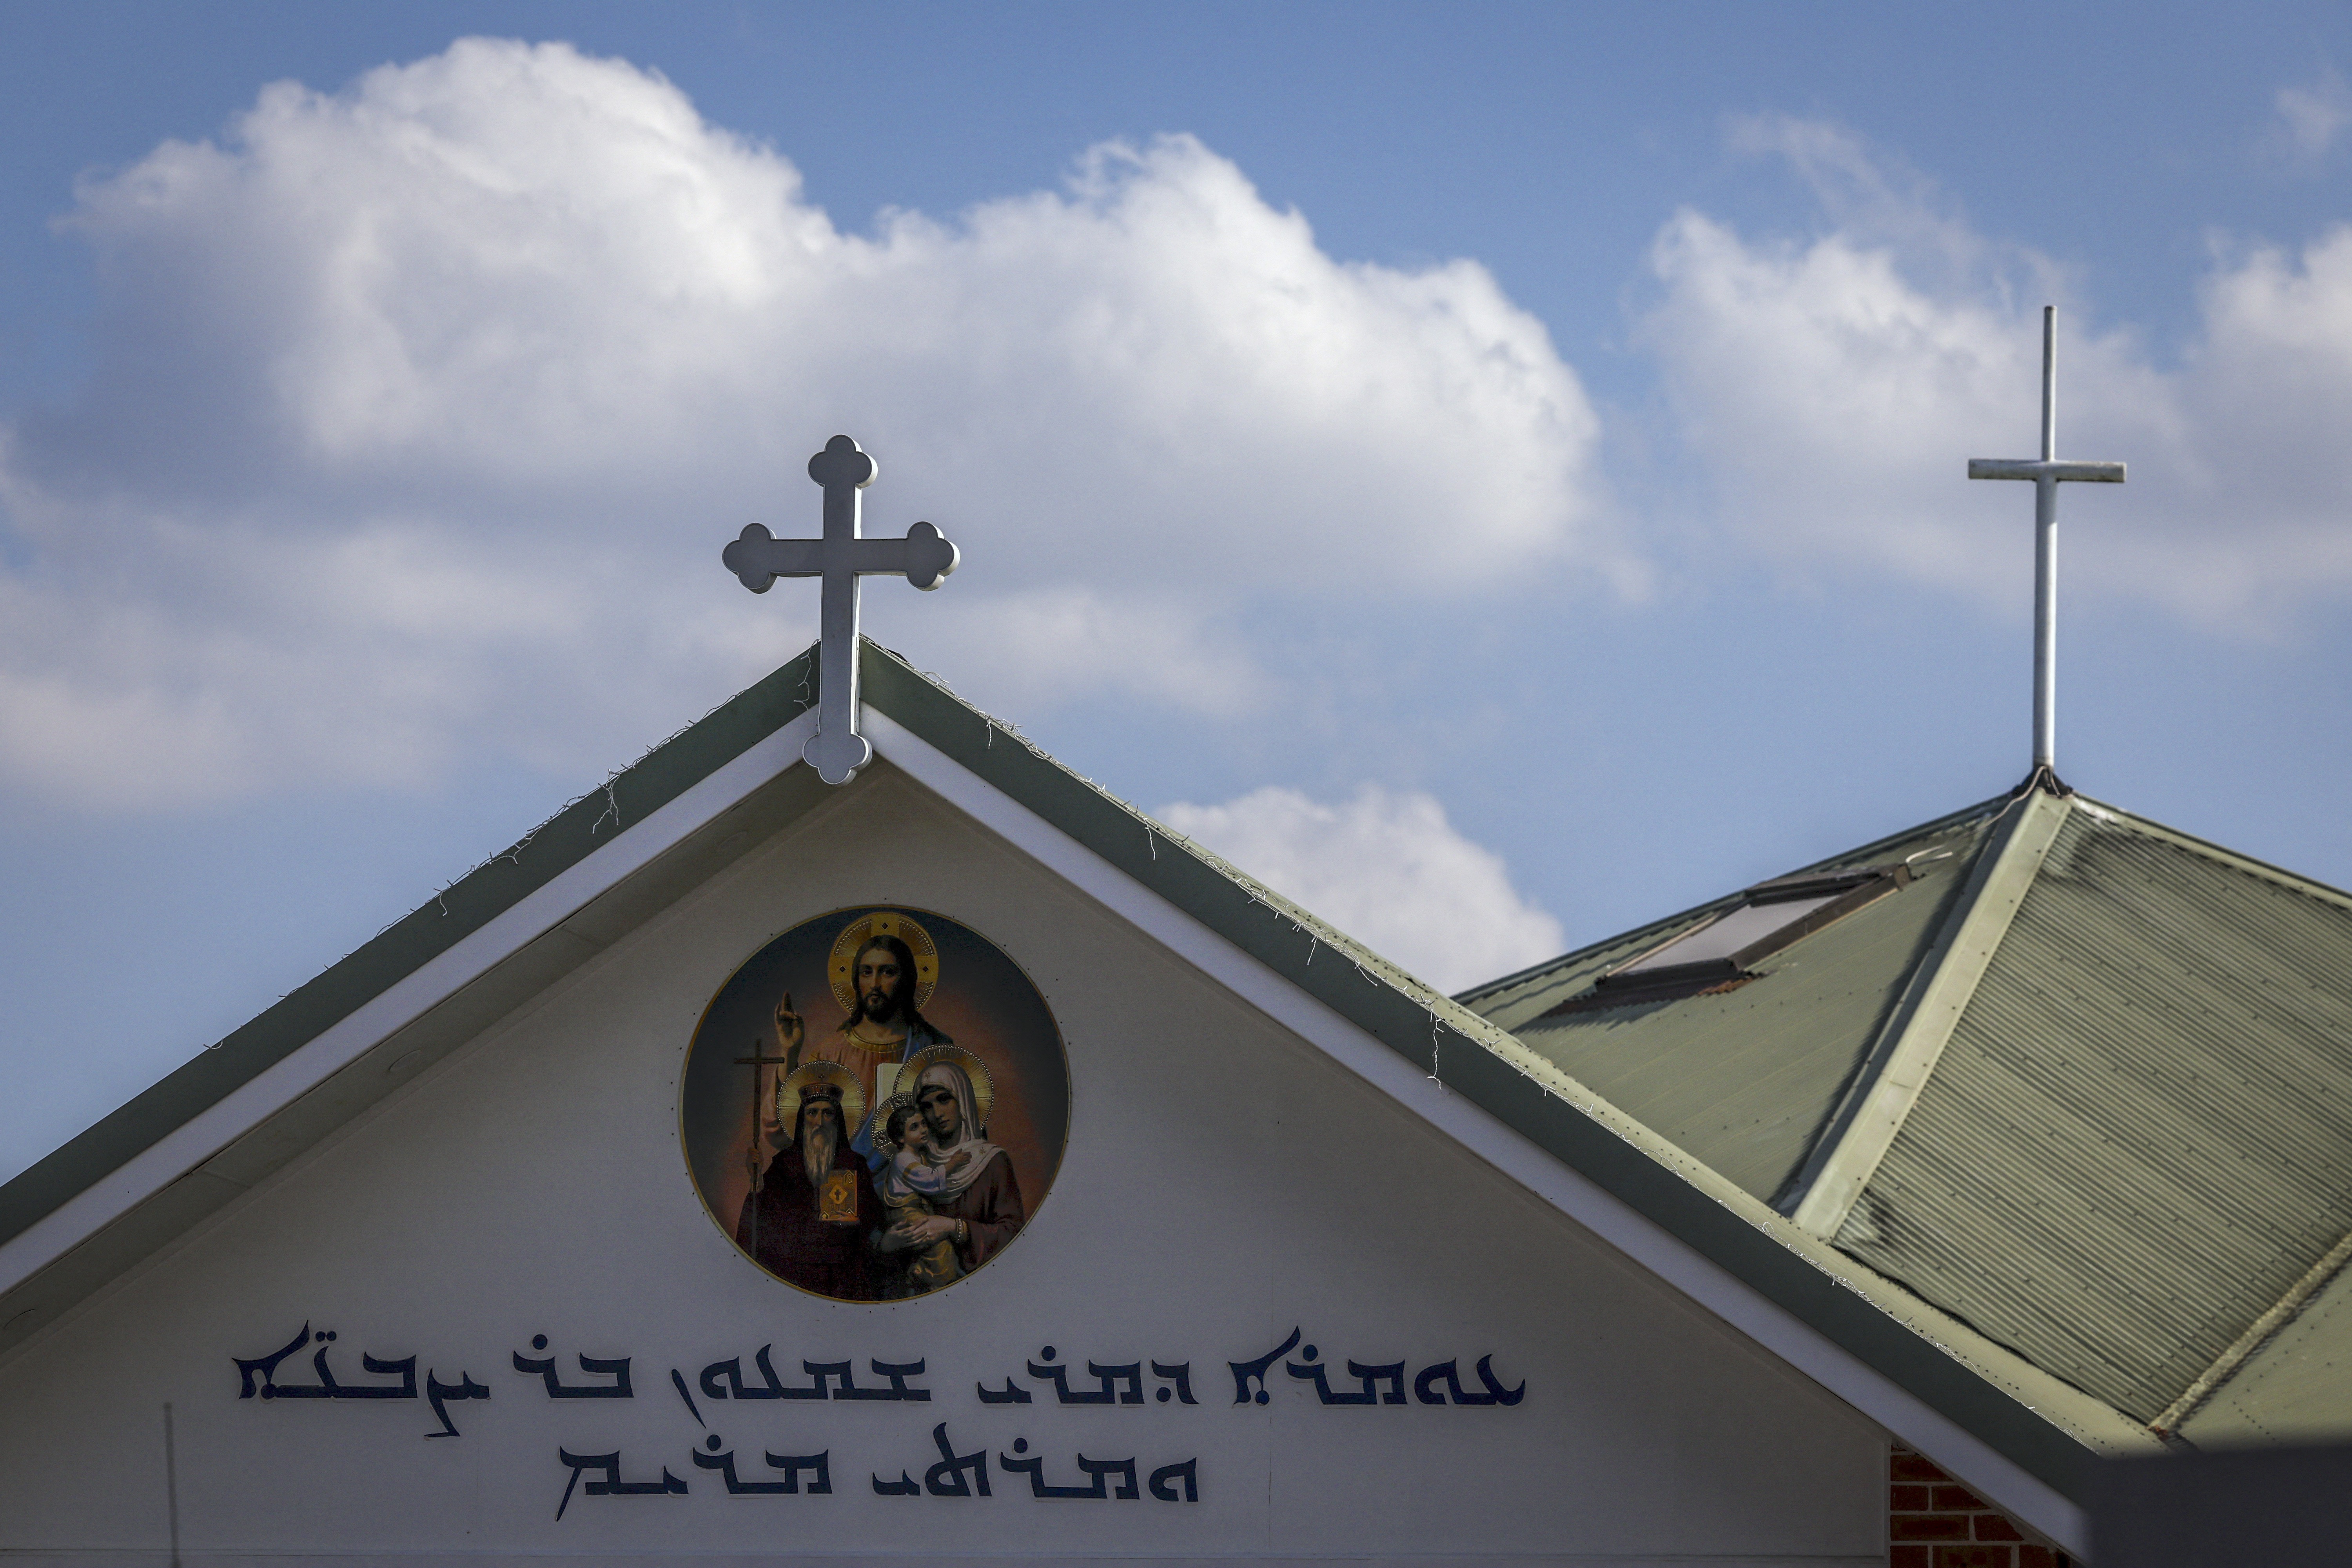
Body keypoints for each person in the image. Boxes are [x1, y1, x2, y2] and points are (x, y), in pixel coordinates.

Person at [773, 933, 949, 1155]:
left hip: (916, 1180)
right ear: (857, 981)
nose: (875, 984)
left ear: (906, 979)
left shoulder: (933, 1048)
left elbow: (961, 1129)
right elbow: (786, 1132)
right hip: (846, 1182)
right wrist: (790, 1053)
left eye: (888, 972)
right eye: (867, 972)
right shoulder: (830, 1053)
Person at [875, 1060, 1023, 1280]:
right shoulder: (912, 1161)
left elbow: (1014, 1234)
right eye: (927, 1106)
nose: (937, 1113)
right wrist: (887, 1244)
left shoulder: (992, 1162)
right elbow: (876, 1227)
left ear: (963, 1099)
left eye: (944, 1100)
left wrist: (955, 1228)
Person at [735, 1078, 877, 1299]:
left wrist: (857, 1220)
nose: (820, 1122)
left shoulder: (854, 1163)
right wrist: (756, 1180)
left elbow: (875, 1214)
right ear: (803, 1119)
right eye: (812, 1113)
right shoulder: (785, 1162)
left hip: (842, 1269)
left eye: (827, 1113)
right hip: (795, 1269)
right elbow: (764, 1216)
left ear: (837, 1119)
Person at [871, 1098, 969, 1296]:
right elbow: (930, 1179)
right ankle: (924, 1274)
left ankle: (925, 1272)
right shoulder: (904, 1159)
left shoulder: (918, 1155)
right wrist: (953, 1164)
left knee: (937, 1246)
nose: (923, 1130)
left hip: (915, 1210)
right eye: (914, 1128)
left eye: (924, 1124)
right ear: (901, 1138)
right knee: (938, 1246)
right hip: (905, 1213)